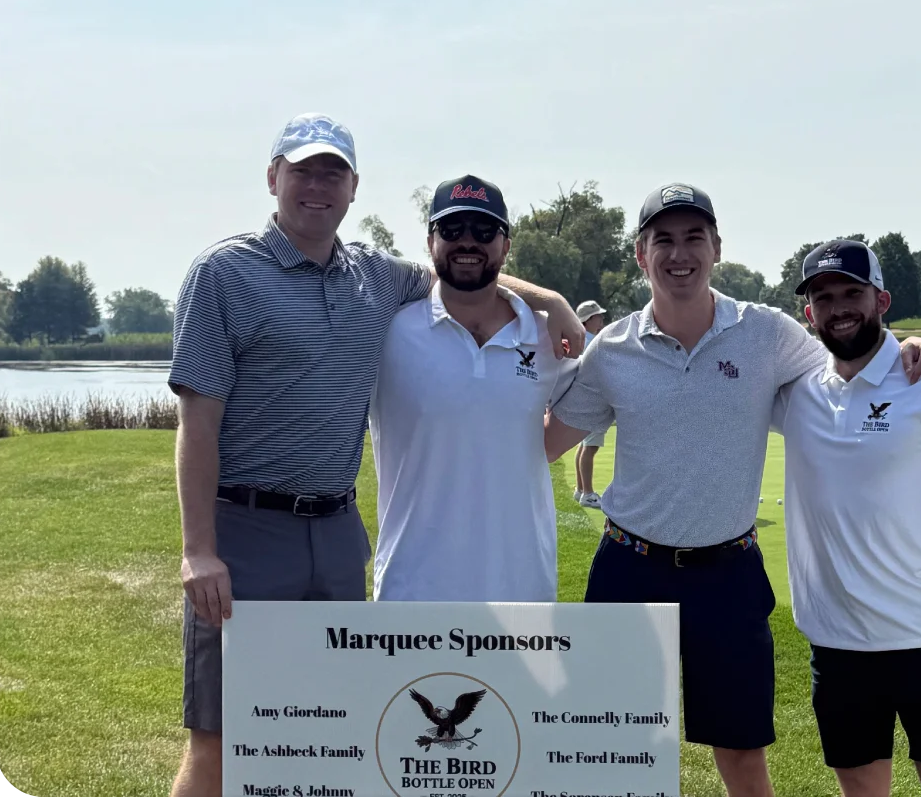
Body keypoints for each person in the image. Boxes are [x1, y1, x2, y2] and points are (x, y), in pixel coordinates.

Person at [166, 116, 584, 797]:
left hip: (335, 536)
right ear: (273, 178)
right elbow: (198, 417)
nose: (316, 186)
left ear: (353, 188)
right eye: (301, 170)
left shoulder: (375, 280)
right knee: (219, 735)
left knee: (323, 729)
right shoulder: (225, 271)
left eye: (332, 173)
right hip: (245, 529)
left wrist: (553, 299)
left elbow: (464, 274)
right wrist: (197, 549)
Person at [542, 182, 921, 797]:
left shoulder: (766, 334)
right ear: (640, 254)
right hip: (629, 570)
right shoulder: (612, 350)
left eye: (693, 238)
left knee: (740, 752)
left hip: (726, 574)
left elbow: (849, 357)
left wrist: (908, 346)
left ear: (715, 247)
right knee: (614, 745)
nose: (679, 253)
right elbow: (544, 444)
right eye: (664, 240)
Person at [773, 239, 921, 797]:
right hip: (836, 642)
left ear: (882, 300)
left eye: (853, 292)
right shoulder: (795, 391)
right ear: (809, 313)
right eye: (824, 297)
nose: (839, 306)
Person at [368, 174, 577, 603]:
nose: (468, 243)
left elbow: (582, 418)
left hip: (522, 587)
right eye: (452, 230)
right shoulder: (387, 331)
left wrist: (554, 304)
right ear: (430, 241)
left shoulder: (548, 337)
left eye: (484, 232)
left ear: (506, 245)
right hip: (413, 589)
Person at [572, 298, 608, 506]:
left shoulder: (583, 338)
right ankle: (588, 493)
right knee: (591, 447)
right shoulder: (591, 341)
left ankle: (580, 489)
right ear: (588, 320)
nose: (601, 319)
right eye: (598, 316)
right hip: (593, 400)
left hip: (584, 400)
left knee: (585, 444)